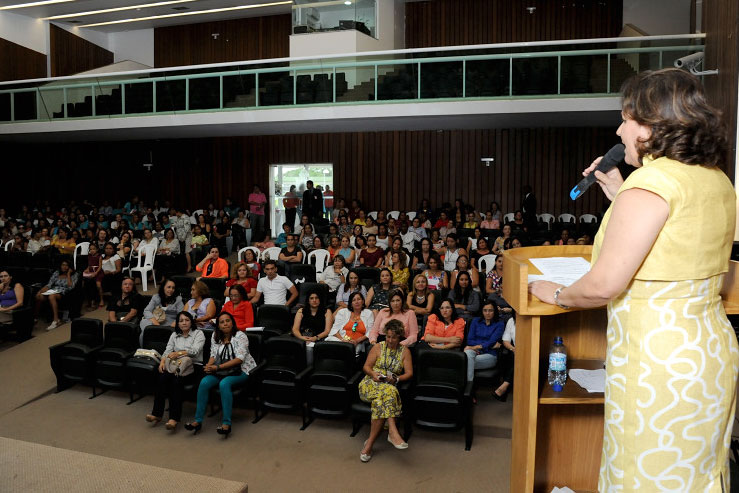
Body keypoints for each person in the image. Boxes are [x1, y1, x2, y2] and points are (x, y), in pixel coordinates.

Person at [529, 68, 737, 491]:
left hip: (658, 362)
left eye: (627, 118)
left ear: (652, 125)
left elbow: (604, 285)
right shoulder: (715, 178)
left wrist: (557, 293)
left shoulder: (651, 184)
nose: (620, 128)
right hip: (707, 353)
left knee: (642, 475)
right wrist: (620, 190)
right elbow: (676, 243)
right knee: (692, 474)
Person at [185, 311, 257, 436]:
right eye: (222, 322)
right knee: (204, 382)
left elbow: (239, 359)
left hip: (241, 370)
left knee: (224, 384)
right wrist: (209, 365)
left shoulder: (240, 336)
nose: (225, 324)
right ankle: (198, 421)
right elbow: (213, 354)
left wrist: (217, 368)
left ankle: (226, 424)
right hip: (221, 370)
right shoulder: (215, 336)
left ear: (232, 322)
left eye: (228, 321)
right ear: (218, 325)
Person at [358, 319, 413, 462]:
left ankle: (368, 445)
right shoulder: (378, 347)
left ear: (399, 336)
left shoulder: (405, 351)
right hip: (369, 384)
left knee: (383, 398)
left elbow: (409, 373)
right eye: (388, 336)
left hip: (387, 388)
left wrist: (397, 379)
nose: (390, 340)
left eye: (393, 337)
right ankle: (393, 431)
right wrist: (373, 374)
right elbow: (366, 367)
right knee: (390, 392)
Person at [145, 311, 205, 431]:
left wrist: (179, 353)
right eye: (181, 321)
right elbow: (167, 351)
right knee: (161, 378)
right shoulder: (174, 335)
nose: (184, 323)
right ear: (177, 323)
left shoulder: (198, 333)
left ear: (191, 321)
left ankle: (174, 418)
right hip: (174, 365)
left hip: (193, 366)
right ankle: (157, 414)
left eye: (187, 320)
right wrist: (162, 362)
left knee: (176, 382)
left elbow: (195, 351)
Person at [464, 301, 505, 382]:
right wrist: (486, 345)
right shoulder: (475, 321)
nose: (487, 313)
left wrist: (476, 346)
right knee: (468, 355)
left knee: (465, 361)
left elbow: (492, 341)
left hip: (490, 355)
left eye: (490, 310)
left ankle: (468, 386)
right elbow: (470, 340)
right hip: (475, 351)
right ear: (482, 311)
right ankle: (469, 385)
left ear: (495, 311)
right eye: (485, 310)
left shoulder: (500, 324)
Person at [36, 259, 79, 331]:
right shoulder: (57, 273)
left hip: (65, 293)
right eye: (63, 265)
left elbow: (70, 286)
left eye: (66, 265)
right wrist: (40, 291)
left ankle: (56, 320)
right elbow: (49, 284)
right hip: (53, 290)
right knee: (39, 296)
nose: (64, 267)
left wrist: (68, 274)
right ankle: (35, 317)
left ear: (69, 267)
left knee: (51, 296)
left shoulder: (74, 274)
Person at [291, 290, 333, 363]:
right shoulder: (301, 311)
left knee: (309, 349)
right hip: (301, 336)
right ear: (308, 300)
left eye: (316, 298)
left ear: (320, 300)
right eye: (311, 298)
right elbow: (295, 329)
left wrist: (315, 338)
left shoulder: (327, 311)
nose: (314, 300)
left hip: (318, 338)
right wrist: (301, 337)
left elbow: (327, 330)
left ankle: (309, 369)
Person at [493, 315, 516, 402]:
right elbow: (506, 341)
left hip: (531, 350)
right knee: (514, 356)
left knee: (518, 357)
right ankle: (505, 387)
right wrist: (513, 349)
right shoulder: (511, 320)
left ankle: (505, 386)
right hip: (515, 349)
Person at [81, 243, 105, 308]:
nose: (92, 250)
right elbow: (89, 265)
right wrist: (86, 269)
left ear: (97, 249)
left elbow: (100, 266)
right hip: (91, 271)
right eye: (91, 249)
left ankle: (101, 299)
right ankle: (90, 300)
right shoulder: (89, 256)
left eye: (94, 249)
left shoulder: (99, 256)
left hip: (98, 272)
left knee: (98, 285)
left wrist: (96, 273)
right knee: (85, 283)